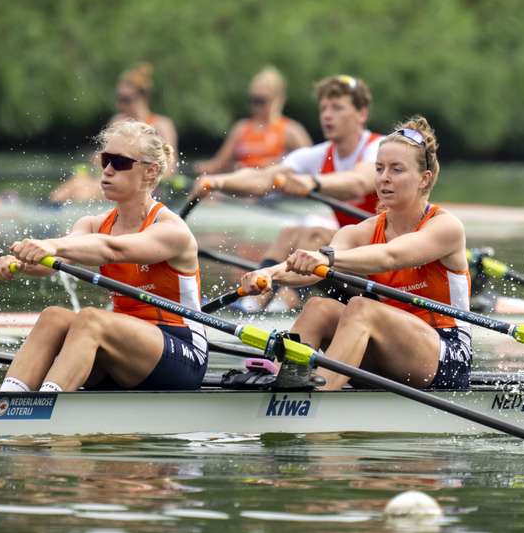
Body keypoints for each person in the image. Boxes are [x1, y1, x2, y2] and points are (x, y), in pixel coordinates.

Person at [239, 116, 471, 391]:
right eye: (380, 168)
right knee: (318, 308)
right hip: (388, 348)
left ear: (424, 179)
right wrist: (270, 274)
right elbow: (316, 263)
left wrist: (327, 259)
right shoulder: (363, 231)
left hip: (446, 353)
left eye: (397, 170)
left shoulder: (446, 227)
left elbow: (390, 256)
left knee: (361, 308)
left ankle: (320, 396)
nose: (384, 178)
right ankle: (281, 381)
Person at [0, 120, 207, 392]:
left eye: (119, 162)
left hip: (181, 352)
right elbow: (55, 262)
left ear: (149, 172)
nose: (106, 171)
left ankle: (44, 410)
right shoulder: (93, 224)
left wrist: (52, 246)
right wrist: (20, 263)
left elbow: (112, 249)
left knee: (90, 320)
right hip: (121, 347)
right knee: (53, 317)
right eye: (106, 160)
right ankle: (9, 401)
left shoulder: (171, 230)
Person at [190, 75, 381, 310]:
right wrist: (218, 182)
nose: (327, 115)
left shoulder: (378, 148)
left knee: (312, 237)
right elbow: (264, 178)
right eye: (323, 108)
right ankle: (255, 302)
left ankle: (269, 301)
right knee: (289, 234)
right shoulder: (318, 154)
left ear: (361, 114)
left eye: (337, 108)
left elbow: (359, 182)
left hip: (383, 262)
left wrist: (312, 182)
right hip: (350, 257)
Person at [50, 63, 178, 203]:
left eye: (126, 100)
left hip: (142, 186)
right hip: (113, 178)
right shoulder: (117, 121)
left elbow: (169, 169)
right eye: (119, 99)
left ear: (144, 97)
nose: (120, 106)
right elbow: (104, 159)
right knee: (72, 185)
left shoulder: (162, 125)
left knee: (82, 192)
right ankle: (46, 215)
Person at [194, 67, 311, 174]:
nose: (256, 106)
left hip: (275, 190)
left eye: (261, 100)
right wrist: (201, 168)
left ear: (279, 99)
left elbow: (310, 166)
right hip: (244, 189)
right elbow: (217, 165)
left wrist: (275, 164)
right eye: (253, 100)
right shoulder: (240, 129)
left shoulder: (292, 131)